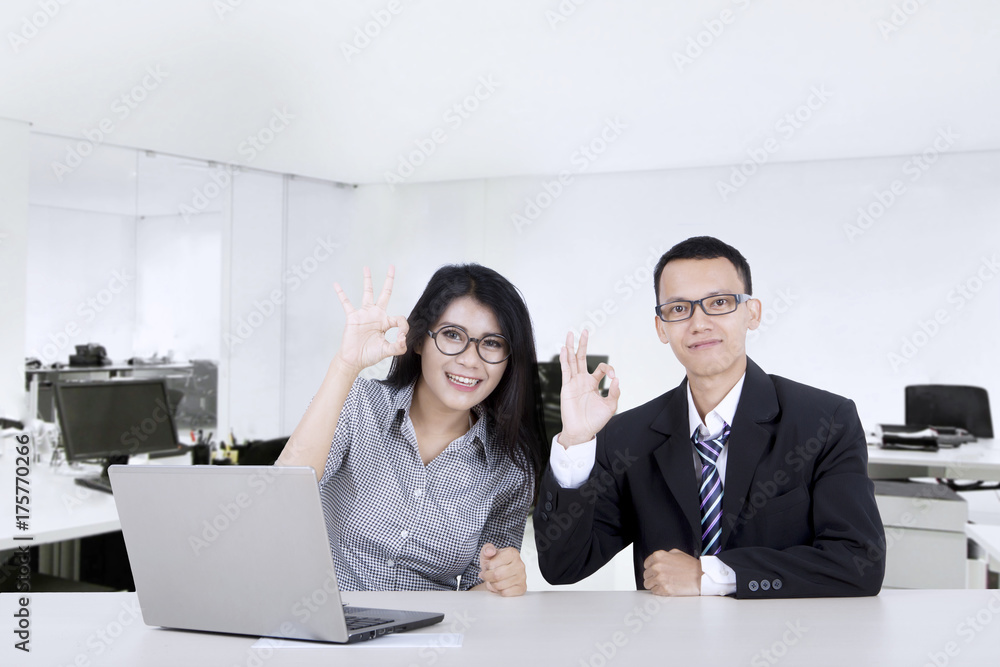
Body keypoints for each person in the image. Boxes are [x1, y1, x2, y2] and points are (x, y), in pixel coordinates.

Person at [534, 236, 885, 598]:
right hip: (671, 647)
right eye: (679, 309)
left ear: (752, 313)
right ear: (661, 327)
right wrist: (575, 441)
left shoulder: (825, 422)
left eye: (719, 303)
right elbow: (564, 566)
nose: (699, 323)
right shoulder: (628, 437)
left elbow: (859, 562)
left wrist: (712, 574)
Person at [277, 264, 544, 596]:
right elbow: (282, 491)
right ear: (419, 340)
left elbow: (480, 593)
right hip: (326, 622)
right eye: (452, 335)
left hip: (427, 639)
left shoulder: (510, 468)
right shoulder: (359, 404)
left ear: (508, 359)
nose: (470, 360)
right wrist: (345, 365)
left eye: (491, 343)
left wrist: (500, 583)